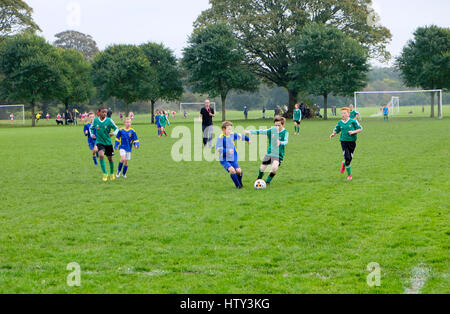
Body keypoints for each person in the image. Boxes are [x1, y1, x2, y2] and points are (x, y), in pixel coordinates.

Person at [245, 116, 289, 186]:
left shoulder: (285, 132)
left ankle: (267, 182)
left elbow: (286, 141)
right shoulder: (272, 130)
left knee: (274, 168)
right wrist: (250, 132)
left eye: (279, 125)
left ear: (283, 124)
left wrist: (280, 142)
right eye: (275, 125)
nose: (277, 127)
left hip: (278, 154)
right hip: (269, 153)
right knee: (262, 169)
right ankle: (259, 178)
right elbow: (261, 132)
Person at [330, 107, 363, 181]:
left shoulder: (353, 121)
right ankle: (349, 175)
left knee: (349, 159)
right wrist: (333, 134)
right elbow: (337, 129)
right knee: (347, 158)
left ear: (348, 114)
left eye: (344, 113)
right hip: (343, 142)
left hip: (352, 142)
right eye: (342, 113)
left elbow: (360, 129)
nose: (343, 115)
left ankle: (344, 164)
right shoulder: (340, 122)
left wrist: (353, 132)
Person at [216, 121, 251, 189]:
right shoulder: (221, 137)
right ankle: (238, 186)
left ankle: (240, 184)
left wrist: (248, 139)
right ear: (223, 129)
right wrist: (227, 150)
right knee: (232, 170)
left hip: (233, 158)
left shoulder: (232, 134)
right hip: (224, 159)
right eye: (228, 129)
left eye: (231, 129)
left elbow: (240, 136)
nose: (230, 130)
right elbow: (218, 149)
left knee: (239, 171)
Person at [90, 108, 119, 182]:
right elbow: (91, 128)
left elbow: (117, 128)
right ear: (99, 113)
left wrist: (113, 133)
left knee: (110, 159)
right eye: (103, 112)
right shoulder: (95, 120)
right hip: (100, 142)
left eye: (105, 112)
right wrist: (92, 134)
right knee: (101, 155)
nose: (105, 114)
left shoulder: (109, 120)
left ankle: (112, 173)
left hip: (108, 143)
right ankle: (105, 173)